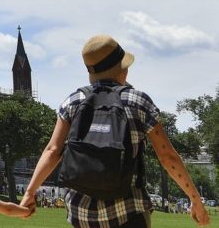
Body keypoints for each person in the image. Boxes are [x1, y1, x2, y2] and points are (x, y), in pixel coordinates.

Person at [20, 35, 210, 227]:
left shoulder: (73, 102)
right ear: (122, 70)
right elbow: (167, 156)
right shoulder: (138, 102)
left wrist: (30, 192)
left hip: (82, 215)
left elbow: (52, 150)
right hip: (128, 212)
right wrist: (195, 199)